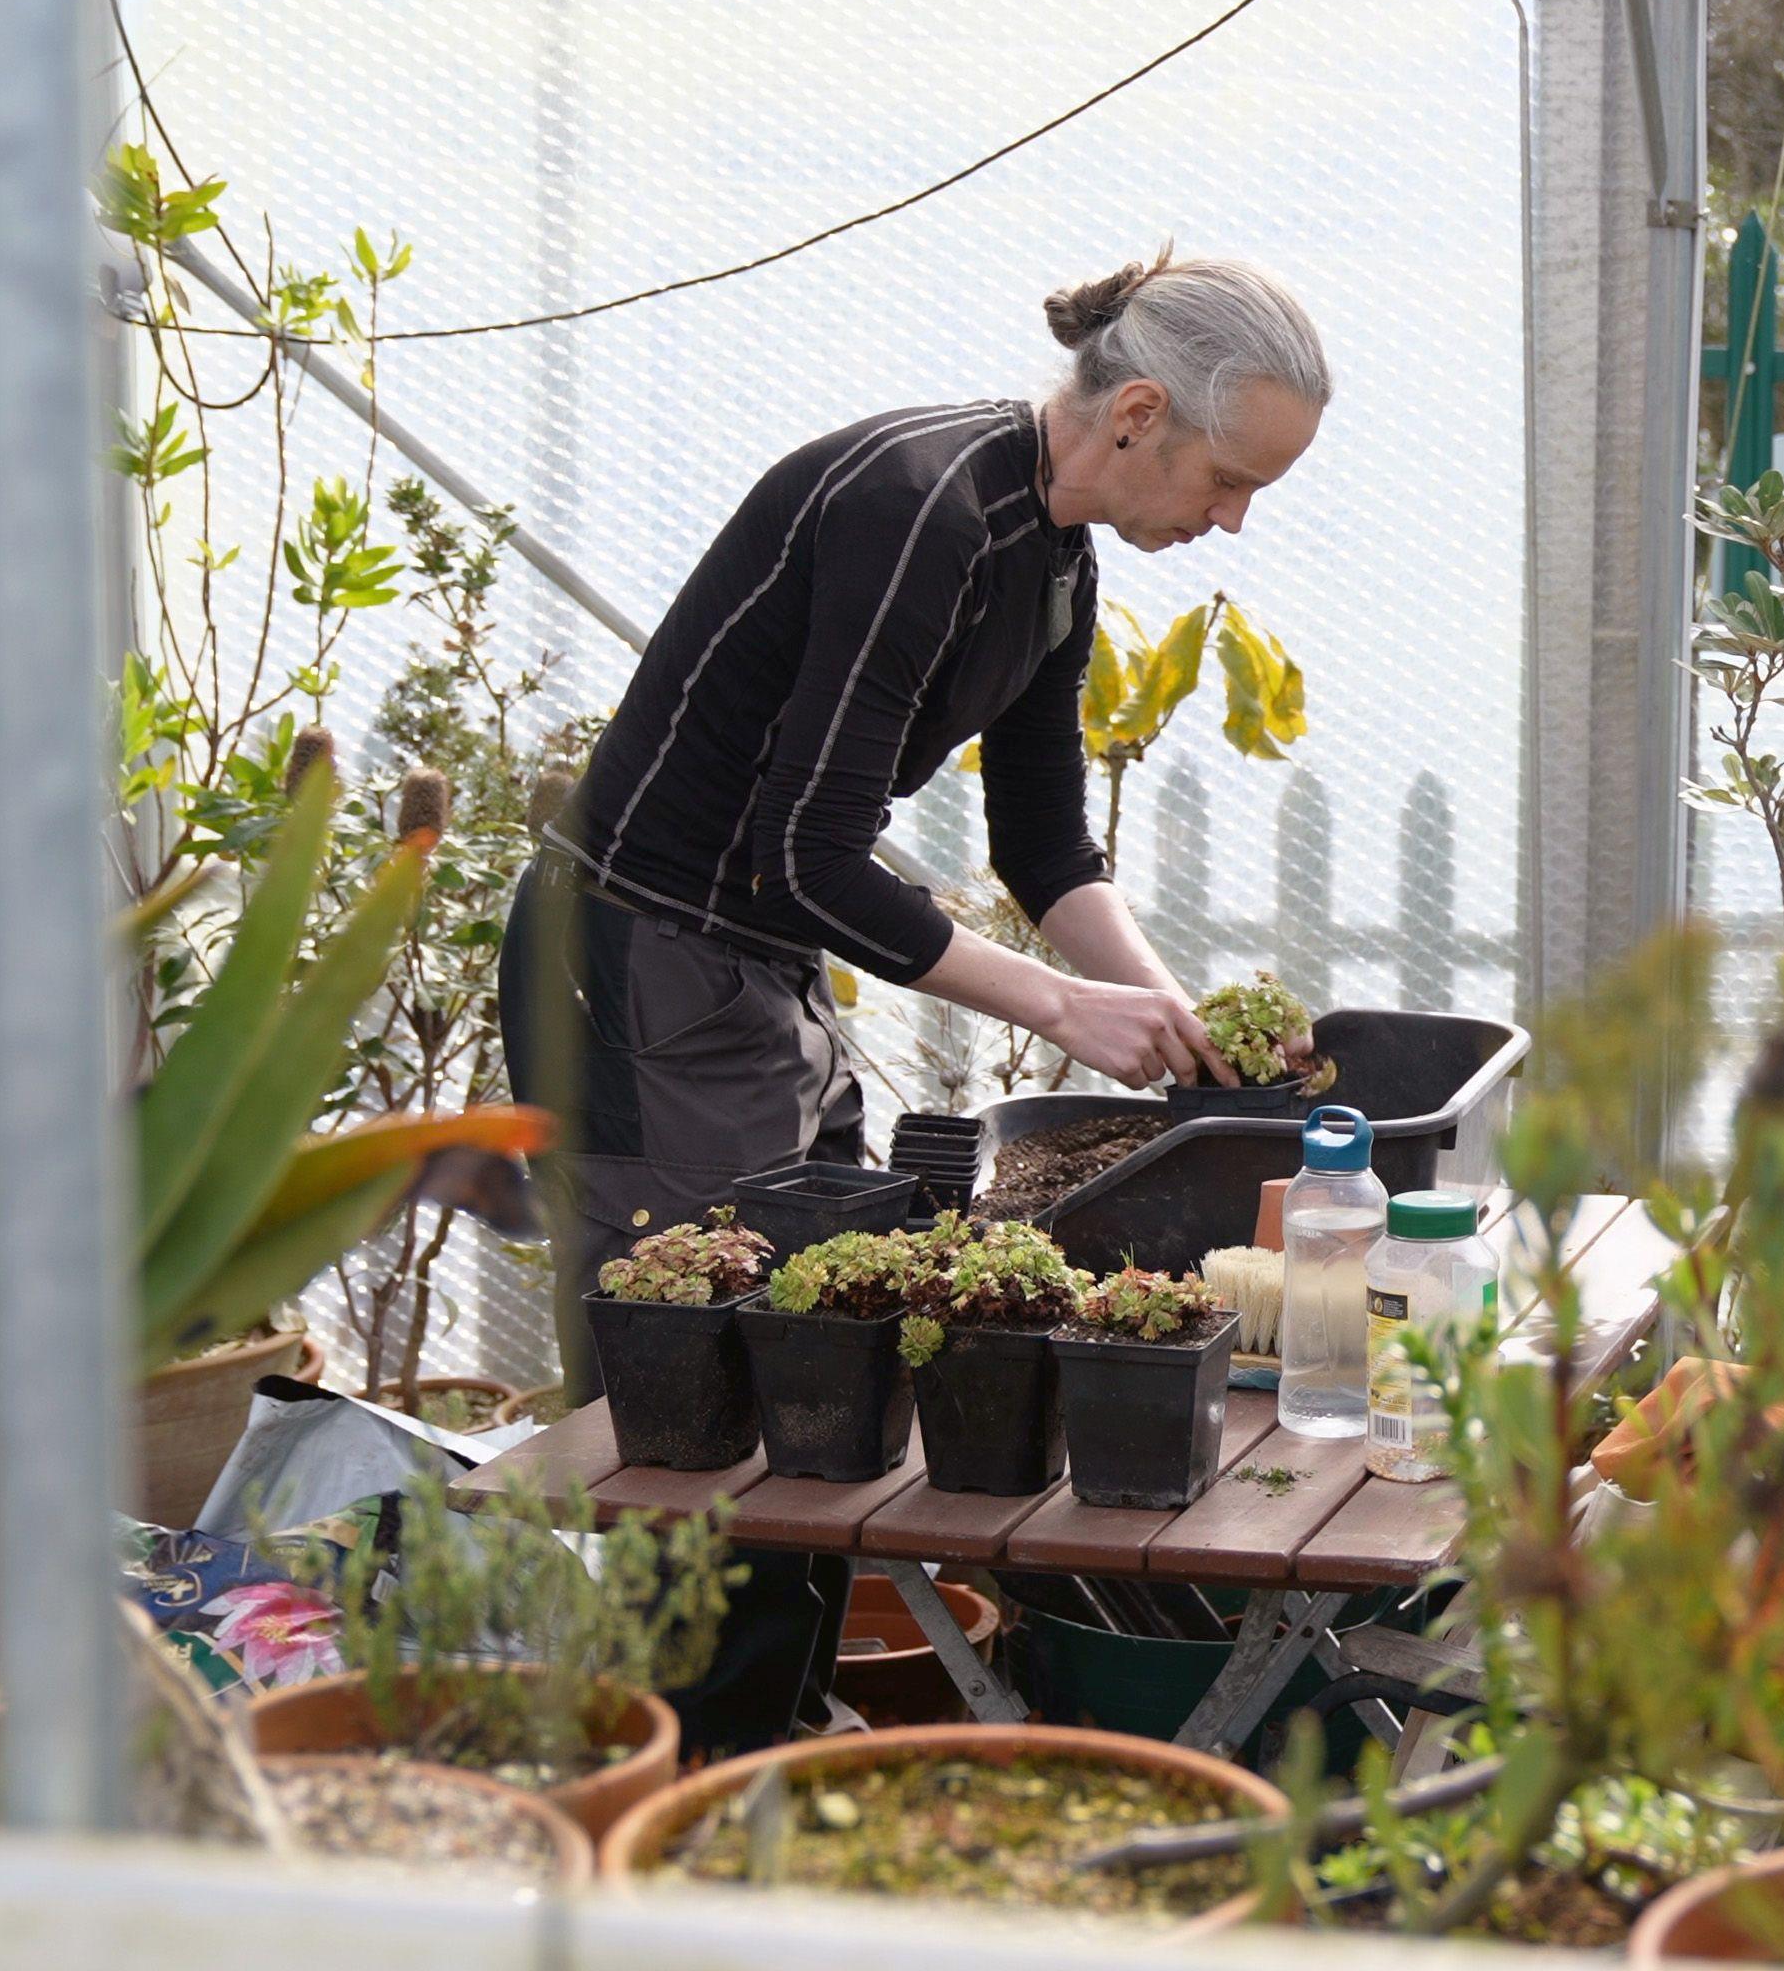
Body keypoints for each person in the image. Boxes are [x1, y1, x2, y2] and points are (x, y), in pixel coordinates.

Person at [498, 250, 1326, 1747]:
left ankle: (767, 1759)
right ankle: (673, 1802)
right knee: (701, 1415)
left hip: (747, 964)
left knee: (815, 1374)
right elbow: (808, 855)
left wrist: (1169, 1020)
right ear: (1138, 410)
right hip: (636, 955)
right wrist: (1067, 1017)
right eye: (1227, 478)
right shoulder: (920, 515)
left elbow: (1043, 844)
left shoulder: (1048, 554)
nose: (1232, 521)